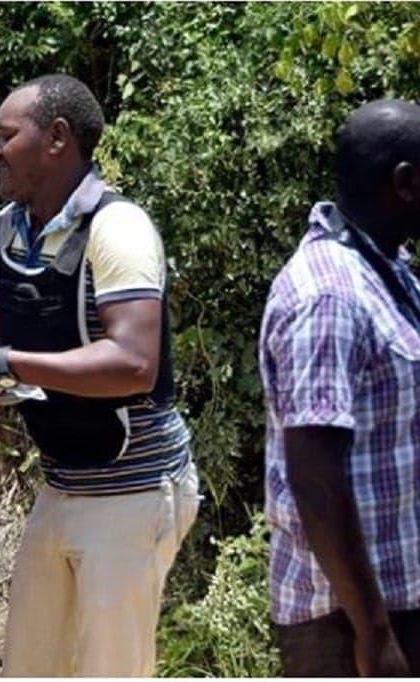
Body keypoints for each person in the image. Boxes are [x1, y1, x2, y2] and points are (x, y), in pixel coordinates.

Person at [0, 74, 197, 676]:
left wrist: (5, 366)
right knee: (31, 664)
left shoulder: (117, 229)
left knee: (110, 669)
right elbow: (11, 345)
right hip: (63, 483)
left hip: (133, 488)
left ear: (56, 138)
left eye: (6, 136)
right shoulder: (7, 232)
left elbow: (134, 363)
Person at [259, 99, 420, 677]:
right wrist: (375, 638)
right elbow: (316, 476)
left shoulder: (388, 270)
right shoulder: (329, 295)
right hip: (348, 625)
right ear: (405, 183)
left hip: (395, 603)